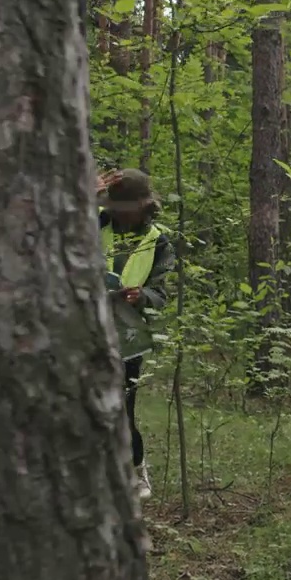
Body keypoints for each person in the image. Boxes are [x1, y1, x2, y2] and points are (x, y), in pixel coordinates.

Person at [97, 168, 175, 501]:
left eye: (127, 207)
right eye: (116, 206)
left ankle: (137, 471)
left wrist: (141, 297)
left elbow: (161, 291)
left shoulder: (158, 239)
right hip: (83, 325)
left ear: (143, 206)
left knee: (122, 406)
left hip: (128, 335)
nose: (120, 213)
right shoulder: (96, 221)